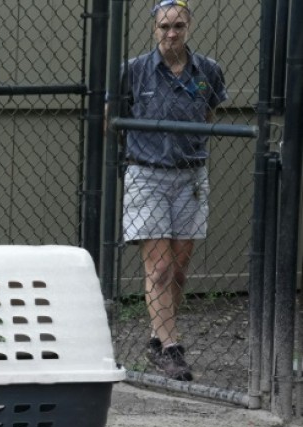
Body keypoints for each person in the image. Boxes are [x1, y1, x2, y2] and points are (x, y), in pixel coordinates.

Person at [119, 0, 227, 381]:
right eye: (164, 26)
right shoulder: (134, 71)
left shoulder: (207, 71)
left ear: (188, 27)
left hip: (191, 176)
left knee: (179, 270)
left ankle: (155, 336)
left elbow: (210, 112)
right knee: (160, 266)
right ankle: (171, 348)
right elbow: (109, 118)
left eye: (178, 26)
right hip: (147, 174)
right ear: (154, 28)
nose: (171, 34)